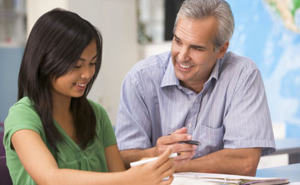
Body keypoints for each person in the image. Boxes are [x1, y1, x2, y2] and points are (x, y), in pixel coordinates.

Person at [3, 8, 174, 185]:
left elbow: (119, 175)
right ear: (45, 62)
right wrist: (130, 178)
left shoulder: (97, 114)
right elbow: (50, 178)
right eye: (77, 65)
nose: (87, 74)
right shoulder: (23, 116)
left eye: (92, 63)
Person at [115, 0, 276, 176]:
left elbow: (244, 162)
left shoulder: (243, 75)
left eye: (196, 48)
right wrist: (155, 153)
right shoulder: (140, 79)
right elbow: (121, 159)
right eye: (178, 41)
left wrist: (166, 166)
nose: (182, 56)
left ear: (221, 50)